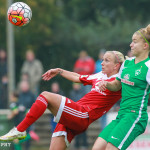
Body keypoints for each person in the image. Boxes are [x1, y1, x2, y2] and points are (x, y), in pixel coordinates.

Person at [0, 51, 124, 150]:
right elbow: (77, 77)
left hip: (82, 115)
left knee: (45, 95)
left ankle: (20, 130)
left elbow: (118, 84)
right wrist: (59, 71)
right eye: (102, 60)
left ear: (116, 65)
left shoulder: (119, 81)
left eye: (106, 60)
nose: (102, 63)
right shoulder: (99, 75)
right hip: (73, 115)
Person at [92, 24, 150, 150]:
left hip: (135, 116)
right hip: (121, 115)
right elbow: (117, 85)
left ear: (145, 46)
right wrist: (107, 84)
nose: (130, 45)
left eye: (134, 42)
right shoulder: (127, 63)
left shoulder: (148, 66)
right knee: (97, 148)